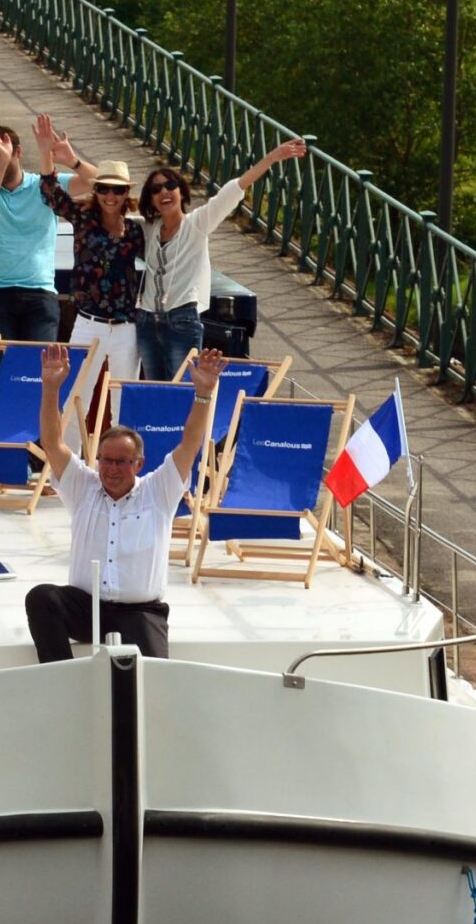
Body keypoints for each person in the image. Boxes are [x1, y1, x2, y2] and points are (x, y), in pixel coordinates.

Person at [25, 342, 223, 663]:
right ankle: (60, 676)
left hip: (140, 612)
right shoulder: (83, 486)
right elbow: (52, 442)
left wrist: (203, 394)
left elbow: (190, 444)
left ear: (139, 465)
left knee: (153, 684)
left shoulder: (159, 490)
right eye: (106, 460)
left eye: (121, 462)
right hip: (87, 608)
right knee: (41, 597)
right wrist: (50, 388)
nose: (111, 469)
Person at [135, 138, 309, 379]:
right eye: (156, 190)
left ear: (181, 191)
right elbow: (110, 214)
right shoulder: (148, 228)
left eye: (170, 185)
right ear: (150, 200)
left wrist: (273, 157)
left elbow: (233, 190)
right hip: (146, 320)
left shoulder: (197, 223)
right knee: (153, 391)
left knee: (182, 392)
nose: (164, 192)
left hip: (182, 320)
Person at [31, 113, 143, 397]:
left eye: (117, 190)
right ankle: (69, 445)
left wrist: (74, 161)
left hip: (126, 328)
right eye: (103, 188)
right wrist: (49, 155)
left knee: (123, 400)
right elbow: (50, 194)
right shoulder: (83, 216)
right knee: (75, 398)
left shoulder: (135, 230)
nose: (109, 195)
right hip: (87, 323)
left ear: (125, 193)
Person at [0, 124, 69, 346]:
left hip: (39, 292)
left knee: (38, 369)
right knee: (5, 369)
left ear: (18, 153)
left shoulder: (45, 187)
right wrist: (2, 162)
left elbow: (97, 184)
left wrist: (71, 160)